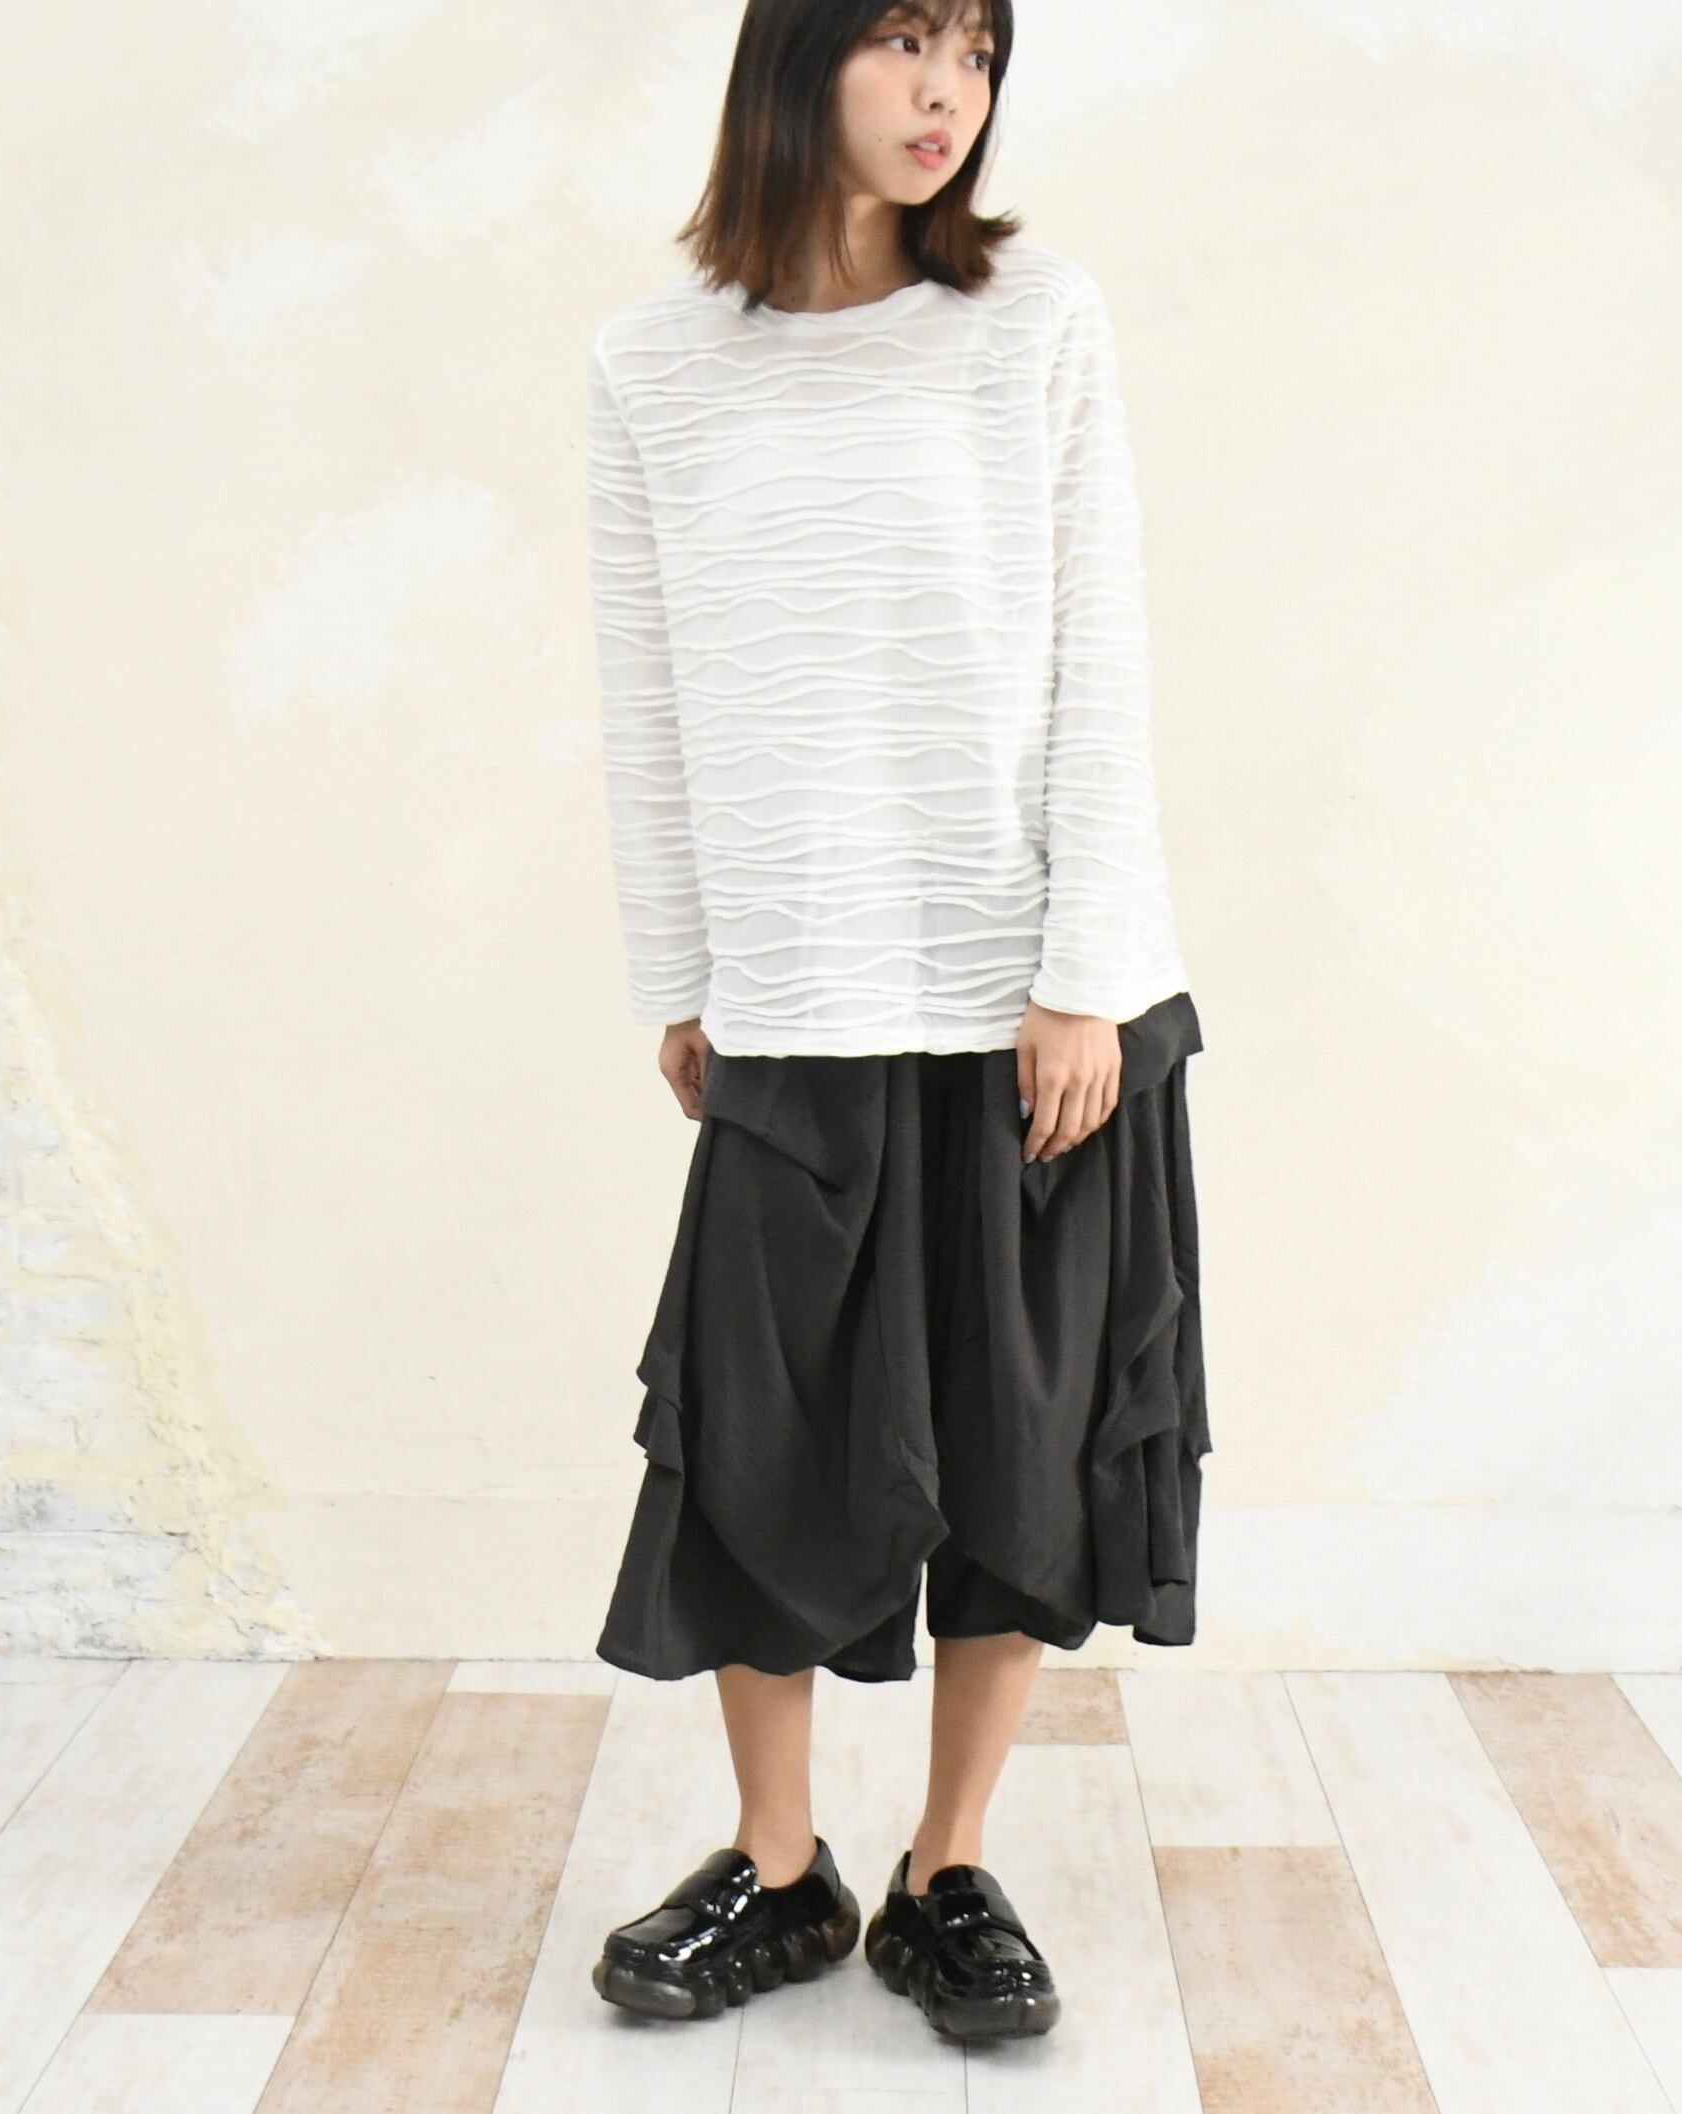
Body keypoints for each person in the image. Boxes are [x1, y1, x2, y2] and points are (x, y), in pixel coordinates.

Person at [581, 0, 1211, 2050]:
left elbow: (1100, 646)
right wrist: (680, 975)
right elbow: (644, 691)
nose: (949, 95)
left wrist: (1085, 971)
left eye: (978, 54)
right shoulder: (653, 366)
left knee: (1016, 1459)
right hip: (793, 979)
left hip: (1022, 991)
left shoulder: (1031, 323)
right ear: (798, 57)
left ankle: (946, 1866)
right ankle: (779, 1870)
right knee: (756, 1446)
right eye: (905, 43)